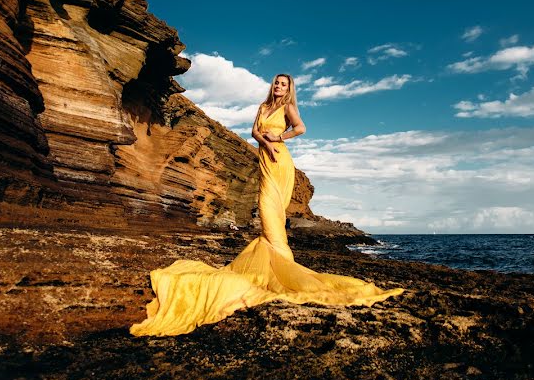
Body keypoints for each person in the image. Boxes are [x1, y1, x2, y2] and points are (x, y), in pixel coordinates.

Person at [129, 74, 403, 337]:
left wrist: (278, 140)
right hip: (267, 159)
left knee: (271, 212)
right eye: (276, 83)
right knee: (265, 210)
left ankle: (286, 270)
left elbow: (302, 128)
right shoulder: (264, 106)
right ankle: (278, 267)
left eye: (284, 84)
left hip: (280, 162)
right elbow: (254, 132)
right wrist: (266, 143)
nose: (279, 87)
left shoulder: (288, 107)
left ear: (289, 88)